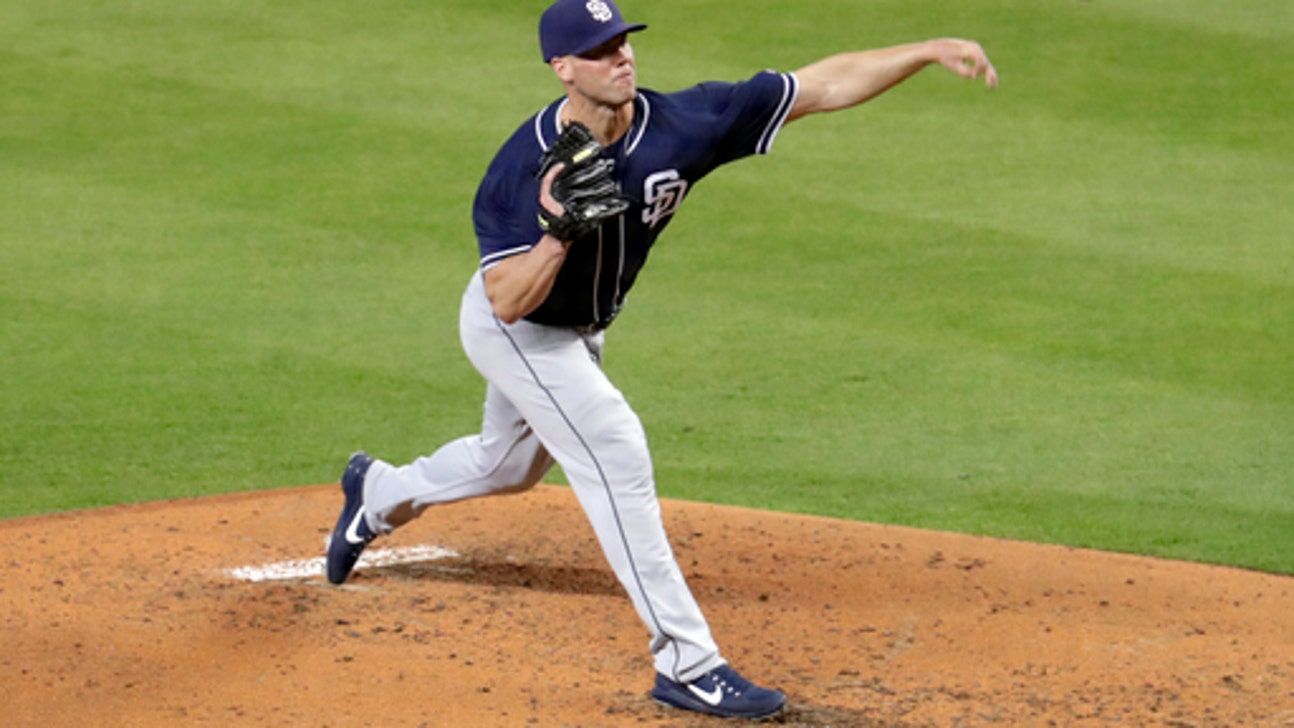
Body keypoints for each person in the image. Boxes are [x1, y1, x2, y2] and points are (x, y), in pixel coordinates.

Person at [325, 0, 997, 720]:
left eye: (622, 42)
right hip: (519, 332)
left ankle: (378, 494)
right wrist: (557, 237)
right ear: (563, 69)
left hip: (580, 331)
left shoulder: (684, 123)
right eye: (599, 49)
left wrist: (925, 49)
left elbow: (819, 86)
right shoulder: (522, 166)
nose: (621, 58)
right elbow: (507, 302)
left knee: (507, 465)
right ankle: (688, 662)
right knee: (615, 447)